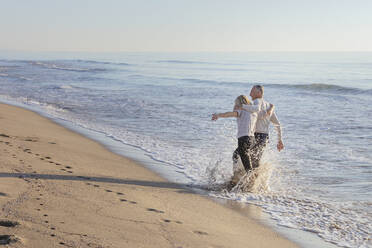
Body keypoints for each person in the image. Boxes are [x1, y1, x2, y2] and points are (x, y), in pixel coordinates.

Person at [212, 95, 274, 173]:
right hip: (252, 139)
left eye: (236, 103)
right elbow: (265, 114)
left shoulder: (241, 110)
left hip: (243, 139)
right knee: (236, 155)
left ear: (239, 103)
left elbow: (229, 114)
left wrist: (218, 115)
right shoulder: (254, 112)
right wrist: (271, 108)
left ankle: (248, 178)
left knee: (248, 168)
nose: (235, 105)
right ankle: (240, 175)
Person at [240, 85, 283, 169]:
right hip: (264, 137)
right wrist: (280, 140)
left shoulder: (256, 102)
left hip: (255, 136)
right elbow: (277, 124)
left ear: (259, 93)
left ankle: (239, 178)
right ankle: (255, 180)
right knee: (254, 161)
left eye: (252, 91)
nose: (250, 94)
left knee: (238, 155)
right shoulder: (268, 105)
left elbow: (259, 115)